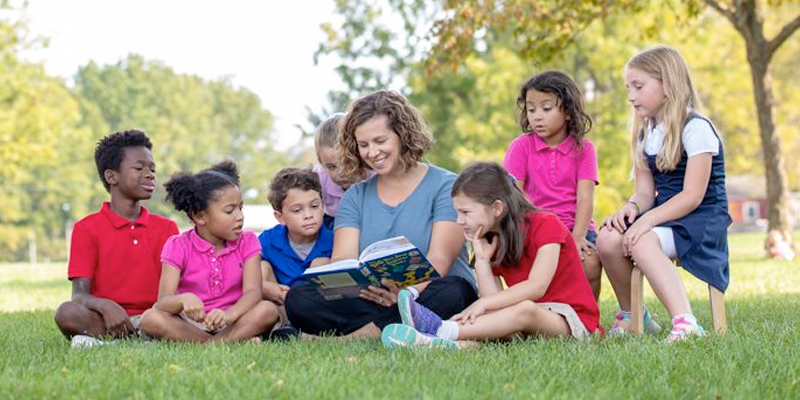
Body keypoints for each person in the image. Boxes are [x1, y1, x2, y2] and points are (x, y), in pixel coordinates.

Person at [285, 90, 478, 338]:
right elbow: (343, 260)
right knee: (299, 298)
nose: (372, 153)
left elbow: (439, 261)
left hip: (427, 292)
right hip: (371, 296)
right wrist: (360, 287)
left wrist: (404, 294)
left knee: (455, 292)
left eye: (380, 141)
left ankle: (358, 335)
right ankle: (396, 326)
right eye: (363, 145)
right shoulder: (355, 196)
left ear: (402, 135)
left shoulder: (446, 185)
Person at [381, 162, 601, 349]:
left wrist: (484, 306)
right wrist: (483, 260)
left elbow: (537, 287)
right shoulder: (492, 238)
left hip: (570, 321)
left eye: (465, 212)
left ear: (497, 208)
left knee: (524, 309)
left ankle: (442, 329)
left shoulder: (546, 224)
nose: (459, 221)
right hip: (522, 323)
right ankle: (435, 342)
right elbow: (492, 298)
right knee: (501, 317)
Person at [596, 45, 731, 343]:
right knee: (607, 239)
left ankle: (686, 322)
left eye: (638, 86)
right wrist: (632, 208)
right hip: (664, 216)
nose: (631, 95)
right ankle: (635, 315)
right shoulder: (646, 132)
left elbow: (693, 196)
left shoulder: (696, 129)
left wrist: (646, 223)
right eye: (628, 87)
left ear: (667, 85)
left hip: (700, 219)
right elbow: (645, 191)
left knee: (643, 241)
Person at [54, 130, 179, 348]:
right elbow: (79, 295)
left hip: (157, 317)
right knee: (67, 312)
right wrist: (105, 305)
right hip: (108, 320)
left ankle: (108, 342)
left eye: (152, 169)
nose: (150, 174)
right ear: (112, 176)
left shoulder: (167, 228)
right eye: (139, 168)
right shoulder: (86, 229)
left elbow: (178, 288)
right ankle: (138, 340)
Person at [139, 161, 279, 343]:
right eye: (230, 211)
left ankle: (210, 344)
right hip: (190, 324)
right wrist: (184, 299)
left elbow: (253, 293)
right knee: (150, 318)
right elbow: (163, 302)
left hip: (235, 319)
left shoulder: (248, 241)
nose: (240, 216)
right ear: (199, 216)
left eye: (240, 208)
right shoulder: (178, 246)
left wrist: (229, 315)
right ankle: (226, 342)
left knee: (267, 309)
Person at [503, 70, 602, 300]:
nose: (537, 116)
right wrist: (542, 226)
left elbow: (585, 199)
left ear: (567, 111)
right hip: (533, 227)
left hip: (575, 227)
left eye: (546, 109)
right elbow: (513, 194)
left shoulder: (584, 149)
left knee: (590, 262)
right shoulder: (521, 147)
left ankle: (588, 317)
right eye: (531, 109)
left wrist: (577, 238)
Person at [258, 167, 332, 335]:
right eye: (297, 210)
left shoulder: (334, 239)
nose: (308, 215)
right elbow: (241, 275)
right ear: (280, 217)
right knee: (261, 267)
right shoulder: (269, 240)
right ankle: (280, 328)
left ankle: (310, 329)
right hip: (281, 306)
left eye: (314, 206)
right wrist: (264, 287)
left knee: (322, 263)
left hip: (317, 310)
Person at [313, 112, 374, 228]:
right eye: (332, 167)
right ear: (322, 163)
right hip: (334, 220)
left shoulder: (373, 175)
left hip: (369, 220)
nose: (341, 172)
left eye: (347, 163)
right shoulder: (318, 179)